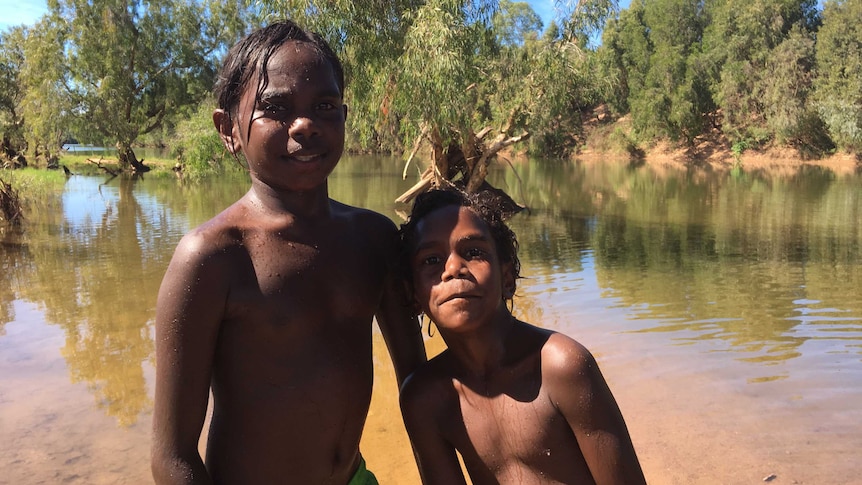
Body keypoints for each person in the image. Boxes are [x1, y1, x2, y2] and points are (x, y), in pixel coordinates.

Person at [151, 20, 426, 485]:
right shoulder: (212, 258)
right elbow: (173, 456)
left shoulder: (374, 239)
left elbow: (419, 388)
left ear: (344, 115)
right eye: (275, 107)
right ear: (228, 129)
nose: (305, 125)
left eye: (325, 106)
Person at [398, 188, 645, 485]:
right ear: (413, 295)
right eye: (431, 260)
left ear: (508, 278)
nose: (452, 269)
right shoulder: (425, 399)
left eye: (474, 252)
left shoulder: (559, 367)